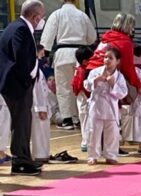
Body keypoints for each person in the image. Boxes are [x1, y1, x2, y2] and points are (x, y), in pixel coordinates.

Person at [0, 0, 46, 176]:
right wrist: (26, 80)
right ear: (35, 17)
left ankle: (23, 159)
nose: (41, 20)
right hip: (17, 85)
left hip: (16, 83)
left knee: (22, 122)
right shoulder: (20, 29)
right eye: (41, 17)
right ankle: (21, 161)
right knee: (21, 123)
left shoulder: (15, 27)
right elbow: (20, 59)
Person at [39, 0, 97, 130]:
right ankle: (80, 117)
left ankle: (67, 119)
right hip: (80, 55)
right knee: (80, 87)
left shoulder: (57, 14)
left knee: (64, 87)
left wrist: (45, 53)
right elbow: (92, 38)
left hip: (63, 55)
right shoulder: (82, 15)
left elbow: (48, 36)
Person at [84, 45, 128, 165]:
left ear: (117, 61)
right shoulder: (95, 72)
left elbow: (123, 93)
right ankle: (93, 156)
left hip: (111, 108)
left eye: (110, 58)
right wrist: (96, 80)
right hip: (96, 106)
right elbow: (86, 86)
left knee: (112, 134)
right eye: (105, 57)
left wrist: (113, 84)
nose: (107, 60)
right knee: (93, 132)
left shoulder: (119, 76)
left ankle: (111, 155)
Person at [71, 45, 93, 152]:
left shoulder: (78, 69)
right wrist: (89, 96)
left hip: (80, 98)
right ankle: (86, 142)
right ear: (85, 61)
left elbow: (74, 85)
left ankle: (86, 141)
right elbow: (81, 86)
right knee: (86, 120)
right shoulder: (83, 71)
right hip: (84, 98)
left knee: (84, 119)